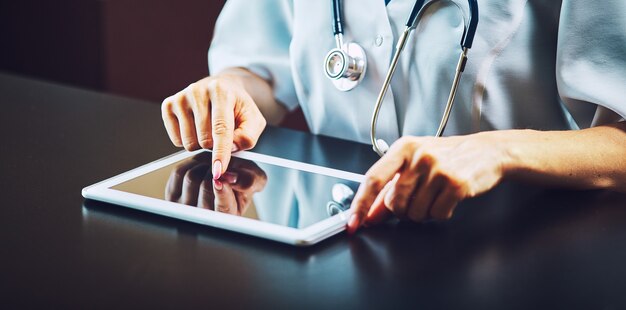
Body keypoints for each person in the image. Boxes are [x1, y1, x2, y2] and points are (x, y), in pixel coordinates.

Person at [160, 0, 626, 234]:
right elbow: (259, 71)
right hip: (330, 251)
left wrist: (498, 150)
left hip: (518, 252)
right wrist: (229, 93)